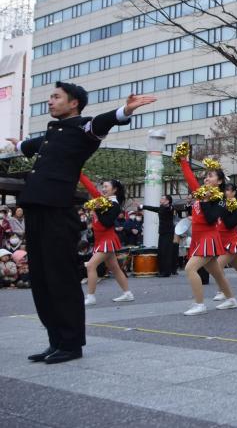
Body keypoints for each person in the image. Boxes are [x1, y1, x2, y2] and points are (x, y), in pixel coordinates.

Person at [6, 82, 156, 364]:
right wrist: (21, 144)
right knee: (40, 279)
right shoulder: (53, 132)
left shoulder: (83, 128)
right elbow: (33, 146)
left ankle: (71, 343)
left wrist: (124, 110)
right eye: (50, 97)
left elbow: (101, 123)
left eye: (56, 97)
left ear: (73, 103)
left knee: (60, 277)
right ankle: (55, 341)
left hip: (58, 211)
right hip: (37, 208)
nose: (49, 102)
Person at [176, 150, 236, 315]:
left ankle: (200, 304)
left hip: (208, 238)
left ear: (220, 181)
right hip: (198, 237)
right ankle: (231, 299)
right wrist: (183, 161)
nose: (206, 178)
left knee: (190, 269)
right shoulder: (203, 193)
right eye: (206, 176)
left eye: (210, 176)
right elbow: (190, 179)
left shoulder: (220, 199)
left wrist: (204, 200)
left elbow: (210, 219)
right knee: (216, 272)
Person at [79, 174, 134, 306]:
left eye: (106, 186)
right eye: (102, 186)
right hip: (100, 239)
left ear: (114, 190)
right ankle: (128, 293)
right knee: (115, 268)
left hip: (107, 240)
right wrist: (79, 173)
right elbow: (90, 187)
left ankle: (91, 296)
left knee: (91, 265)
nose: (103, 189)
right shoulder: (101, 200)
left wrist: (96, 210)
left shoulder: (114, 205)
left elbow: (108, 223)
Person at [140, 195, 177, 277]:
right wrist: (142, 206)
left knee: (166, 251)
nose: (161, 200)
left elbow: (168, 209)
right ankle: (161, 270)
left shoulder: (170, 208)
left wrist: (168, 205)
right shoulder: (162, 207)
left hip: (168, 232)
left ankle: (166, 272)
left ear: (167, 201)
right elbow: (153, 208)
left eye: (163, 199)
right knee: (161, 251)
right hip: (162, 232)